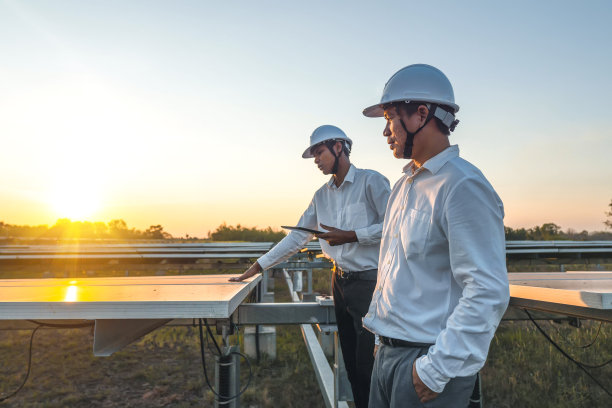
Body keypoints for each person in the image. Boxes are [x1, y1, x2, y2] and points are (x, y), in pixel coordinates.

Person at [361, 64, 510, 407]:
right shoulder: (404, 185)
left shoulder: (462, 185)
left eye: (390, 118)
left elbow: (487, 289)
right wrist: (382, 335)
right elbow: (396, 269)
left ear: (421, 114)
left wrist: (436, 369)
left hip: (427, 362)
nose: (386, 132)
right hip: (388, 354)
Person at [230, 125, 391, 408]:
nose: (316, 160)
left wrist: (351, 235)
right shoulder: (321, 196)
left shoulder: (371, 182)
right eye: (314, 155)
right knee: (352, 366)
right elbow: (298, 236)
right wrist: (258, 266)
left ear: (338, 147)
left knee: (370, 366)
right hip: (339, 283)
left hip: (370, 283)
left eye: (319, 153)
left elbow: (394, 225)